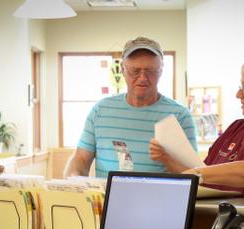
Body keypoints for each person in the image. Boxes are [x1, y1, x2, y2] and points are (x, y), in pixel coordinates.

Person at [150, 53, 244, 198]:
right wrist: (167, 159)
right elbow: (206, 176)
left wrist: (198, 173)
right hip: (217, 220)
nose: (238, 94)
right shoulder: (237, 127)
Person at [64, 37, 197, 178]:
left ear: (160, 71)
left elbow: (195, 174)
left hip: (159, 199)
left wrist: (167, 159)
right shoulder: (100, 111)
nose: (143, 77)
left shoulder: (180, 115)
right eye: (135, 71)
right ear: (123, 70)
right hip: (108, 199)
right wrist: (73, 177)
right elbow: (81, 159)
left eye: (150, 70)